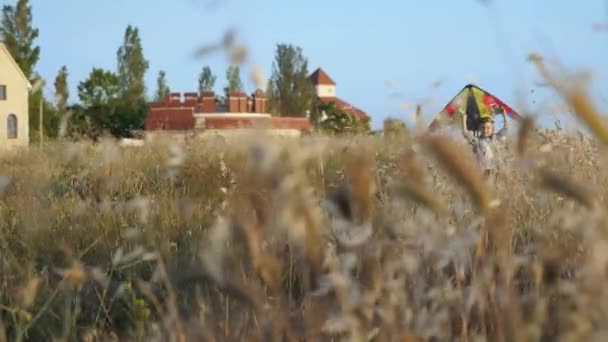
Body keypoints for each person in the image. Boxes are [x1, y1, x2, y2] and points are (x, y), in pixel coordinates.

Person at [460, 103, 508, 178]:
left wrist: (504, 114)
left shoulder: (495, 138)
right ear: (479, 129)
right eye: (483, 128)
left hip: (494, 170)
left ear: (493, 129)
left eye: (488, 128)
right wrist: (464, 118)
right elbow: (465, 134)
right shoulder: (477, 140)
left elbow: (505, 129)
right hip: (481, 171)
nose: (485, 130)